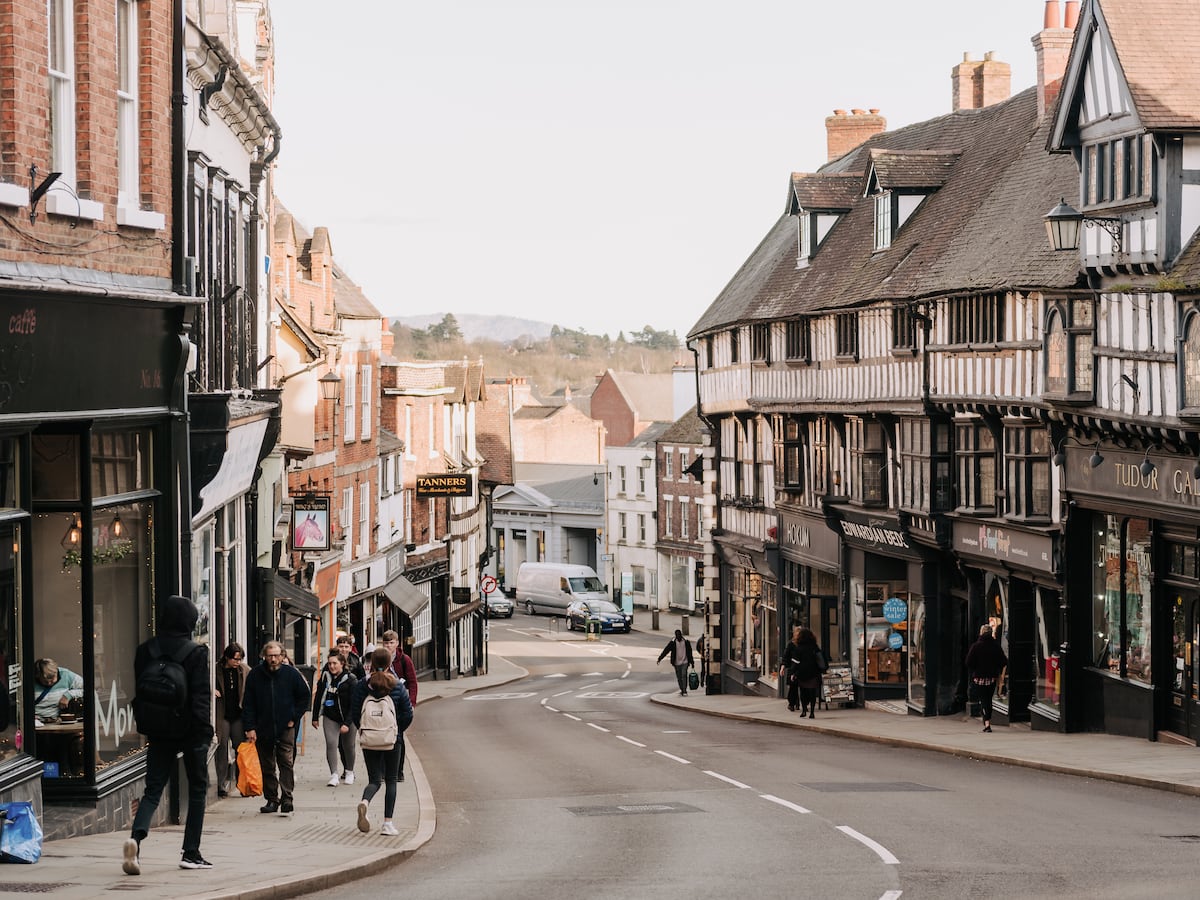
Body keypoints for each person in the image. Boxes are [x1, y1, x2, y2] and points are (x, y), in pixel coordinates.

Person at [121, 594, 213, 875]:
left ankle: (135, 839)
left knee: (153, 789)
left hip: (158, 729)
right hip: (189, 729)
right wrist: (205, 731)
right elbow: (200, 697)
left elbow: (139, 690)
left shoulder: (145, 649)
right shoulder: (196, 652)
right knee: (198, 788)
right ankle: (191, 853)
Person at [242, 640, 311, 816]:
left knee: (286, 762)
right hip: (262, 727)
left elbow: (304, 697)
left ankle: (287, 797)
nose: (273, 659)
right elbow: (248, 703)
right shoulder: (255, 675)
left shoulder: (291, 674)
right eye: (270, 655)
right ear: (264, 656)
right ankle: (272, 799)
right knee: (267, 764)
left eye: (276, 655)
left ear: (282, 656)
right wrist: (250, 727)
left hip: (285, 726)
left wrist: (293, 718)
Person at [351, 648, 414, 836]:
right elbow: (408, 713)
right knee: (391, 780)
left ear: (370, 663)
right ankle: (387, 824)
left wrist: (364, 730)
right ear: (389, 664)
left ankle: (365, 802)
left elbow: (355, 712)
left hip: (369, 739)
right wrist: (396, 730)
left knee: (374, 780)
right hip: (392, 740)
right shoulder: (396, 685)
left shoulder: (362, 686)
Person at [312, 650, 357, 787]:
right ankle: (334, 775)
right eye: (330, 663)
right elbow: (319, 696)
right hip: (330, 716)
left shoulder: (351, 679)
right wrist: (315, 717)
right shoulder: (325, 677)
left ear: (342, 664)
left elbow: (354, 704)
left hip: (347, 717)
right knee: (331, 744)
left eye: (335, 663)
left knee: (348, 746)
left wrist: (347, 723)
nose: (332, 666)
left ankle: (349, 772)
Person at [213, 642, 250, 798]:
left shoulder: (245, 671)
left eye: (240, 659)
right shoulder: (216, 670)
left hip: (238, 715)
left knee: (240, 749)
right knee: (221, 748)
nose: (238, 662)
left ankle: (242, 784)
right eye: (235, 659)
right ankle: (221, 784)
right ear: (227, 657)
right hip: (222, 714)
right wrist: (211, 690)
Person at [382, 629, 417, 780]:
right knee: (383, 738)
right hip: (384, 704)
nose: (389, 646)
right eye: (386, 643)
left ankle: (399, 771)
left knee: (399, 738)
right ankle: (384, 770)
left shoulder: (404, 660)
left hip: (400, 704)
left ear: (397, 643)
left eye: (391, 643)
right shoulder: (381, 658)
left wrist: (412, 703)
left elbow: (413, 682)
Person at [966, 623, 1008, 733]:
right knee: (988, 699)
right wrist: (995, 668)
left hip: (979, 678)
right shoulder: (995, 646)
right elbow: (1003, 661)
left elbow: (969, 662)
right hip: (991, 678)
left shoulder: (976, 646)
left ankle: (987, 723)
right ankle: (987, 720)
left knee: (983, 700)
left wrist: (976, 668)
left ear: (981, 633)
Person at [780, 626, 824, 717]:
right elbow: (820, 659)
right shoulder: (814, 647)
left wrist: (793, 673)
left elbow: (795, 662)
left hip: (802, 673)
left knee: (803, 692)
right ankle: (812, 712)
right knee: (812, 693)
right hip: (814, 673)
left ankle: (804, 710)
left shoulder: (799, 648)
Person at [656, 629, 694, 695]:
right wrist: (660, 658)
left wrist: (692, 662)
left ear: (681, 635)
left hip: (685, 661)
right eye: (677, 635)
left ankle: (684, 690)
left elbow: (690, 653)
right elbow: (666, 650)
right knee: (679, 677)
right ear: (675, 636)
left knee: (684, 675)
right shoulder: (673, 643)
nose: (678, 637)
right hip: (676, 663)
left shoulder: (686, 642)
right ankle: (682, 689)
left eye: (679, 635)